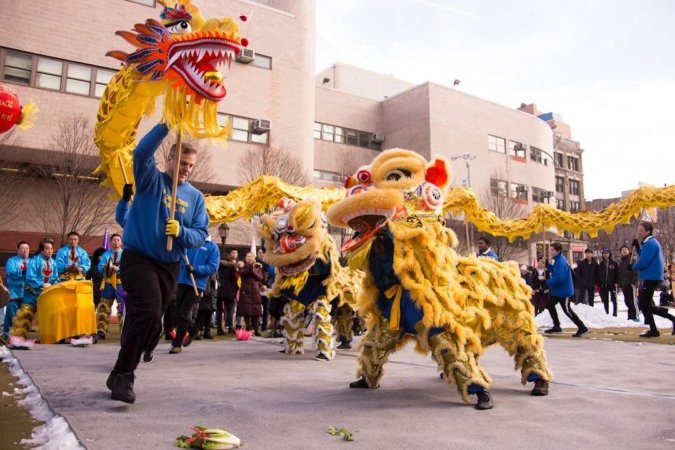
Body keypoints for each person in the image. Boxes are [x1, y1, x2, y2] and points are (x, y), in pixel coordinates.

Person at [107, 123, 209, 404]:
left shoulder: (196, 198)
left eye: (191, 165)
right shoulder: (151, 179)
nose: (187, 169)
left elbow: (200, 235)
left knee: (151, 323)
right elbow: (140, 153)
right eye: (183, 163)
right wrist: (167, 124)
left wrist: (182, 232)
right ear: (170, 160)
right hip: (138, 258)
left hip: (169, 266)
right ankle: (126, 377)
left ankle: (117, 371)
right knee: (149, 310)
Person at [170, 235, 220, 354]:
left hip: (196, 284)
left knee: (183, 312)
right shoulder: (189, 241)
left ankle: (177, 344)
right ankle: (193, 330)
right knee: (178, 313)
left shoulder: (212, 246)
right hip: (182, 280)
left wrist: (196, 269)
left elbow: (213, 267)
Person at [631, 222, 675, 338]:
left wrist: (632, 267)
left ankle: (670, 319)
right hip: (651, 276)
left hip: (651, 276)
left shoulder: (651, 243)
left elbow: (644, 262)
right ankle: (654, 329)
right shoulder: (649, 243)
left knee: (644, 304)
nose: (639, 232)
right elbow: (644, 256)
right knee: (644, 304)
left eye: (641, 230)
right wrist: (639, 248)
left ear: (647, 231)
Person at [11, 239, 60, 338]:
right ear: (42, 250)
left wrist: (51, 283)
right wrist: (42, 284)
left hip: (47, 295)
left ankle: (50, 337)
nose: (50, 251)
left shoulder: (53, 263)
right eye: (47, 249)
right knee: (24, 316)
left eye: (51, 249)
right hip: (32, 295)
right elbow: (30, 277)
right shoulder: (34, 261)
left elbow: (56, 278)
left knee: (52, 315)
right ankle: (17, 338)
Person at [544, 242, 589, 337]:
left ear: (558, 251)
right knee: (549, 304)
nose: (550, 252)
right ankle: (557, 326)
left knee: (567, 310)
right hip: (557, 291)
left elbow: (559, 278)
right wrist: (547, 265)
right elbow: (555, 271)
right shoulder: (558, 260)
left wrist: (547, 282)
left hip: (564, 292)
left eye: (552, 250)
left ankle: (582, 327)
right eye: (550, 250)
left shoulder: (560, 261)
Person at [96, 234, 125, 338]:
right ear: (110, 242)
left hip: (121, 284)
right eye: (114, 240)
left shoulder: (125, 254)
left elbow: (128, 267)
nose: (116, 242)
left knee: (122, 307)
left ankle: (124, 331)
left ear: (121, 242)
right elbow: (99, 268)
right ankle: (101, 330)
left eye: (118, 240)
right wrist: (104, 267)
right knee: (104, 307)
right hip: (108, 284)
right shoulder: (106, 255)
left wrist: (119, 269)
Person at [4, 241, 30, 338]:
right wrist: (23, 271)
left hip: (26, 293)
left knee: (23, 316)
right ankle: (7, 335)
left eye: (27, 248)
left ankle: (21, 335)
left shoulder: (31, 262)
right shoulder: (11, 261)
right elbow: (11, 272)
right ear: (18, 250)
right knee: (11, 314)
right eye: (23, 248)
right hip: (13, 293)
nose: (25, 250)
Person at [236, 252, 263, 336]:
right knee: (246, 311)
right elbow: (243, 274)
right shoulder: (242, 267)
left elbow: (259, 277)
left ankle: (256, 328)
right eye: (248, 256)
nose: (250, 257)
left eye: (251, 256)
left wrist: (252, 269)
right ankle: (248, 327)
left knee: (256, 311)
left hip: (255, 291)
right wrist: (250, 267)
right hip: (246, 292)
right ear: (245, 258)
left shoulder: (257, 268)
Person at [216, 249, 240, 335]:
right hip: (228, 289)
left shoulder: (218, 265)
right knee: (230, 309)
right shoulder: (231, 266)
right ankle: (230, 327)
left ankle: (219, 329)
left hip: (218, 289)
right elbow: (234, 278)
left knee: (219, 310)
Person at [617, 245, 638, 321]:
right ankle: (630, 315)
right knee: (627, 300)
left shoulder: (631, 259)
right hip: (624, 284)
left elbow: (636, 271)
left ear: (628, 251)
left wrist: (634, 281)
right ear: (621, 252)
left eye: (626, 249)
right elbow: (620, 273)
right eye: (623, 250)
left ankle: (634, 315)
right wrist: (619, 284)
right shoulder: (621, 261)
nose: (624, 251)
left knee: (632, 300)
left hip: (631, 283)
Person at [597, 249, 619, 316]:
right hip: (603, 285)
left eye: (607, 253)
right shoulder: (601, 264)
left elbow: (617, 274)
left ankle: (615, 313)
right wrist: (599, 283)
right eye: (604, 253)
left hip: (612, 284)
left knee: (614, 299)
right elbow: (599, 274)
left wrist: (616, 282)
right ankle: (606, 313)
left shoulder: (614, 263)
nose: (605, 255)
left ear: (609, 254)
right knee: (605, 300)